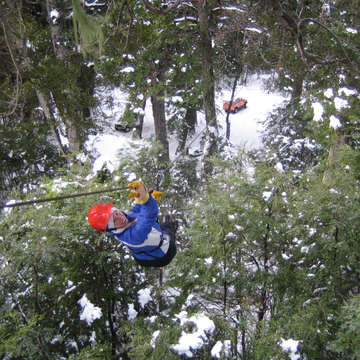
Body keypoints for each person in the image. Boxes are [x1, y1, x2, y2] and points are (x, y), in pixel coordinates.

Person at [88, 181, 177, 267]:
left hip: (145, 251)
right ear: (112, 229)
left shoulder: (123, 220)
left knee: (155, 224)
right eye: (114, 221)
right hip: (164, 254)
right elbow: (149, 215)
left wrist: (140, 197)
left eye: (116, 213)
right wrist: (145, 199)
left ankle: (167, 224)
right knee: (168, 229)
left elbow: (136, 211)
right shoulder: (133, 236)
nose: (120, 217)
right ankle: (172, 225)